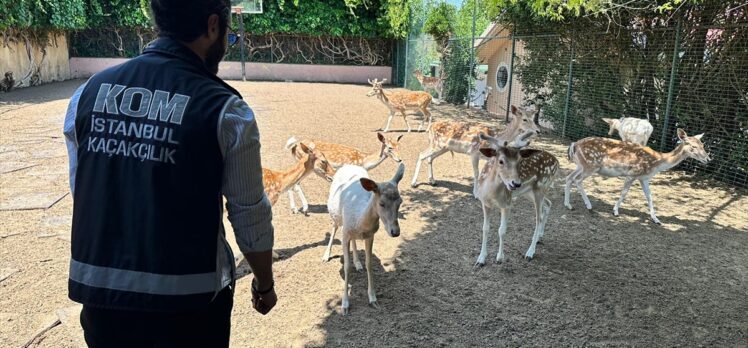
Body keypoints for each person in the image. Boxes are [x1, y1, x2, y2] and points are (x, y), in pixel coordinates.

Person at [62, 0, 276, 346]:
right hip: (190, 311)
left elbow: (84, 187)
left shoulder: (86, 95)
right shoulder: (227, 110)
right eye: (227, 32)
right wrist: (264, 283)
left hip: (103, 304)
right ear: (211, 26)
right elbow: (249, 212)